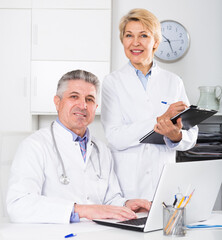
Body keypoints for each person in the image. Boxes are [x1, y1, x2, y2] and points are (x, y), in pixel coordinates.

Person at [6, 69, 151, 224]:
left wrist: (125, 205)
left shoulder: (101, 150)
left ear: (95, 107)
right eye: (74, 96)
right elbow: (18, 205)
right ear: (57, 102)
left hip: (97, 233)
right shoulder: (34, 146)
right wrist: (82, 210)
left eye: (89, 99)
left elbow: (110, 199)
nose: (83, 105)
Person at [101, 9, 198, 201]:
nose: (135, 42)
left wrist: (176, 136)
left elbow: (191, 137)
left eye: (143, 35)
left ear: (156, 42)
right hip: (127, 185)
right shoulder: (112, 82)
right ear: (123, 41)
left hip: (164, 181)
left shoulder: (173, 81)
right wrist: (159, 120)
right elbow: (115, 137)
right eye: (129, 35)